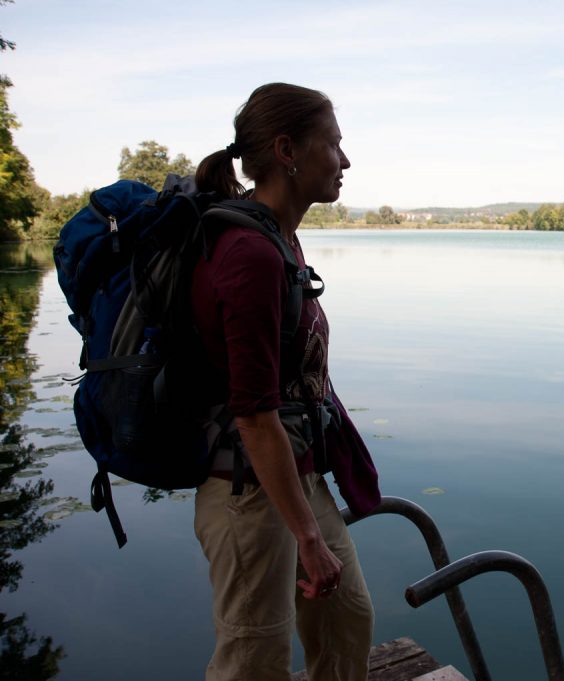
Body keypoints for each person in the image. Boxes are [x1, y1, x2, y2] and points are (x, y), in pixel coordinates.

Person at [191, 83, 380, 681]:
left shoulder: (280, 237)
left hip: (293, 475)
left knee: (346, 618)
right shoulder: (249, 251)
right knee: (253, 660)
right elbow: (252, 414)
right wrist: (306, 537)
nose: (345, 161)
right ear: (287, 150)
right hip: (247, 492)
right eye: (334, 144)